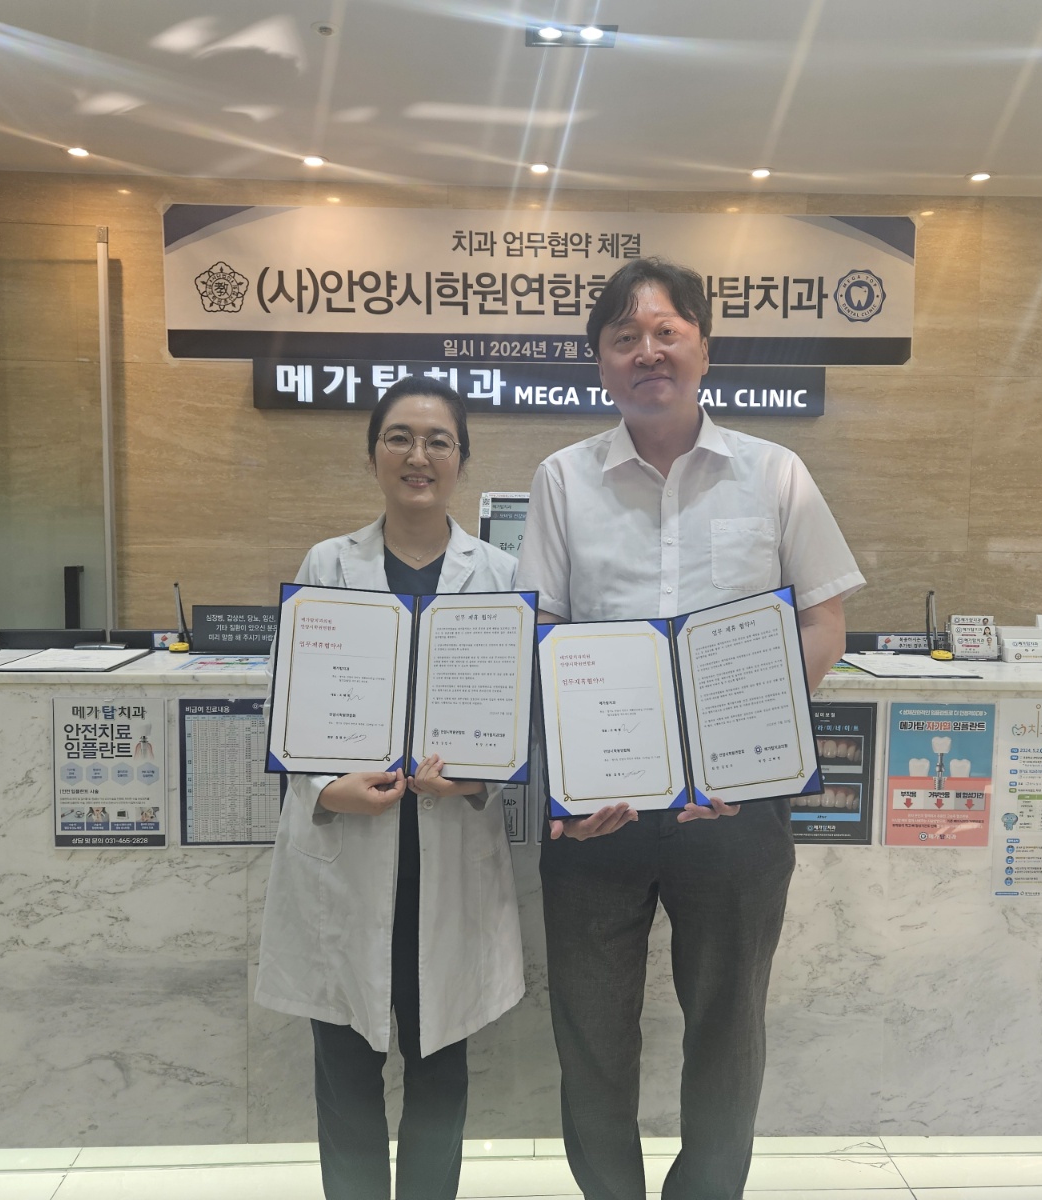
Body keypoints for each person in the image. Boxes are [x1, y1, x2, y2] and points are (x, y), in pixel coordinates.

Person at [515, 257, 864, 1200]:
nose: (648, 351)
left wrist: (735, 757)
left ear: (704, 348)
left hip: (737, 811)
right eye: (624, 337)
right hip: (599, 815)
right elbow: (540, 635)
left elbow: (823, 623)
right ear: (601, 362)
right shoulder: (562, 479)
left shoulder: (774, 472)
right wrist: (571, 780)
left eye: (666, 332)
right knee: (591, 1034)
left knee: (727, 1027)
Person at [256, 376, 524, 1200]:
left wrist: (476, 780)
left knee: (439, 1070)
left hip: (447, 859)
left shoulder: (501, 575)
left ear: (462, 460)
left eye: (439, 440)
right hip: (349, 852)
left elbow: (519, 724)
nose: (419, 455)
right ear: (372, 454)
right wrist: (324, 791)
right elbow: (287, 710)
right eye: (400, 437)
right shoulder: (327, 564)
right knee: (344, 1073)